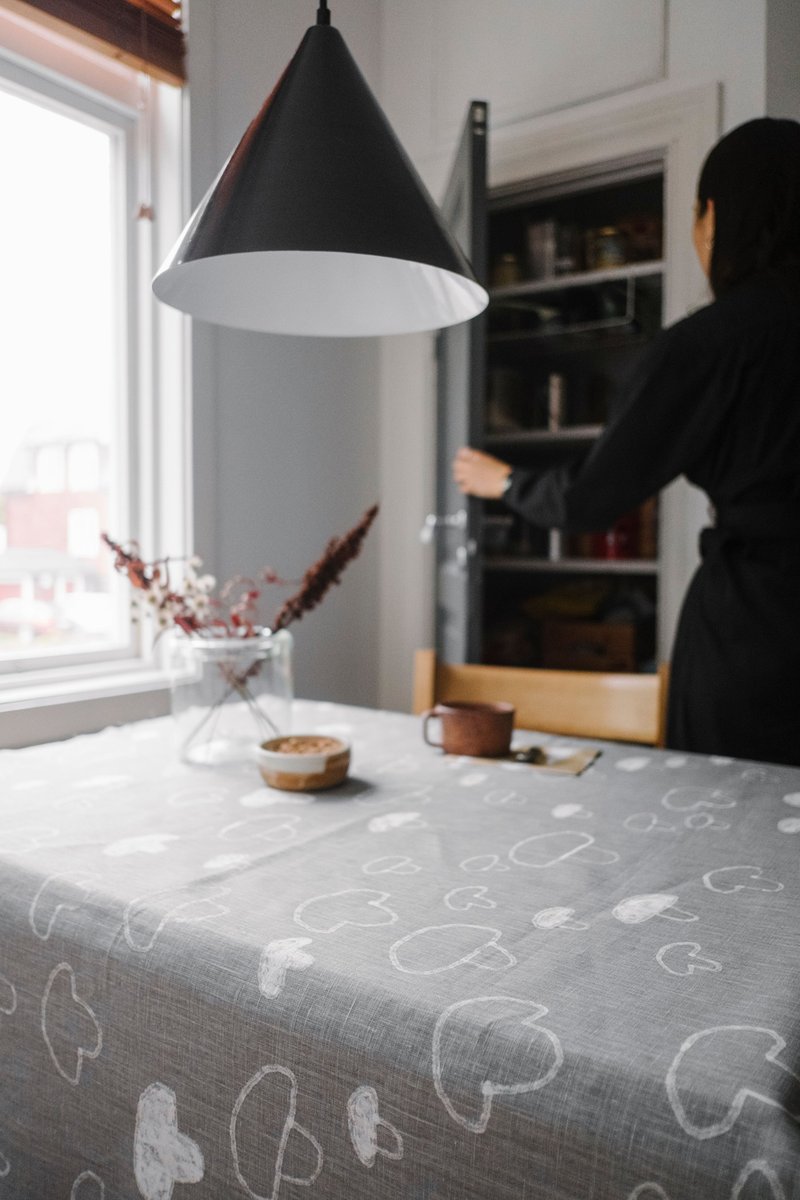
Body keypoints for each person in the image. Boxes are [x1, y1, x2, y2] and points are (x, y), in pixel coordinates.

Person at [453, 117, 800, 767]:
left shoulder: (712, 345)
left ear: (714, 216)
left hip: (757, 631)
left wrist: (501, 480)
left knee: (730, 832)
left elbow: (590, 498)